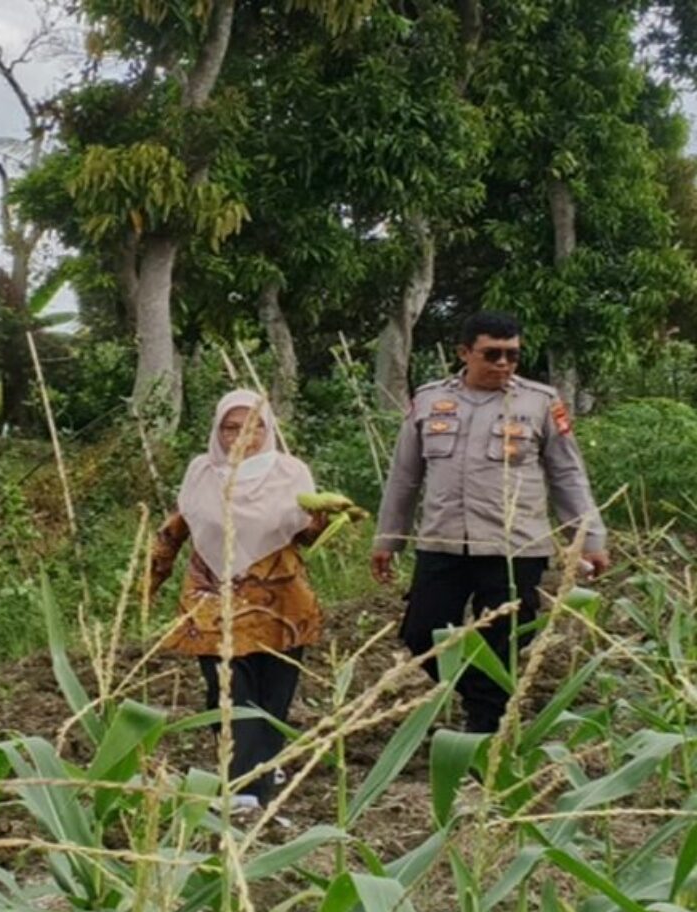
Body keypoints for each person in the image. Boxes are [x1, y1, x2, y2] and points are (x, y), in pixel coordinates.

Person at [370, 310, 609, 733]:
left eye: (512, 356)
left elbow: (567, 474)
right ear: (465, 353)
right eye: (492, 354)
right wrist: (388, 538)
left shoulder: (539, 402)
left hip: (514, 546)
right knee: (423, 633)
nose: (503, 364)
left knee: (503, 641)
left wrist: (588, 538)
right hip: (442, 541)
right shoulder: (428, 400)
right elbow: (404, 476)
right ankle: (485, 698)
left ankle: (484, 736)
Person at [148, 389, 328, 809]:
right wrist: (150, 580)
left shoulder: (291, 472)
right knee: (227, 692)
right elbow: (177, 526)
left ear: (268, 430)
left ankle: (263, 763)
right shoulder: (201, 473)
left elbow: (303, 537)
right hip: (213, 598)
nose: (240, 438)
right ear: (218, 430)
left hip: (280, 600)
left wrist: (321, 523)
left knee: (273, 694)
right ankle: (247, 788)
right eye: (231, 428)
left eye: (253, 428)